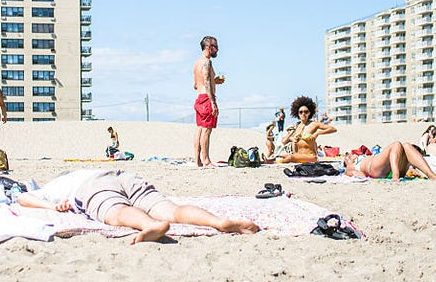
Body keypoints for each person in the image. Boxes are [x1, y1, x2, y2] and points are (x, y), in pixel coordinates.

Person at [17, 169, 259, 244]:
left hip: (93, 186)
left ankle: (150, 225)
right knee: (171, 209)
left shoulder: (60, 183)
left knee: (117, 211)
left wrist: (51, 206)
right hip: (125, 175)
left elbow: (23, 198)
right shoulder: (84, 170)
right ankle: (219, 222)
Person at [273, 96, 336, 163]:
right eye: (301, 112)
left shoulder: (314, 124)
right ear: (298, 114)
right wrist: (292, 138)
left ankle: (273, 163)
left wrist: (317, 133)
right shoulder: (297, 126)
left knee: (291, 157)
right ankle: (269, 160)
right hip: (299, 155)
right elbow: (284, 141)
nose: (303, 114)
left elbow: (333, 129)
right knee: (281, 155)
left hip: (310, 156)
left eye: (306, 112)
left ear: (309, 113)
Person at [193, 36, 224, 167]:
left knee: (200, 129)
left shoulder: (197, 63)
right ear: (208, 47)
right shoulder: (206, 62)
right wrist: (213, 102)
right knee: (206, 130)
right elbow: (206, 80)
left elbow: (196, 84)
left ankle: (198, 160)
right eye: (215, 47)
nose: (217, 49)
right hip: (206, 98)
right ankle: (206, 160)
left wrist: (215, 81)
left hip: (199, 97)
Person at [342, 141, 436, 182]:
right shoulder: (352, 166)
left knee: (407, 145)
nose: (349, 155)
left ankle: (431, 174)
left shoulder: (363, 156)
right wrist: (350, 165)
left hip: (388, 166)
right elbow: (359, 175)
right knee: (396, 144)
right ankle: (395, 175)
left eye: (349, 154)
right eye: (347, 157)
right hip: (375, 169)